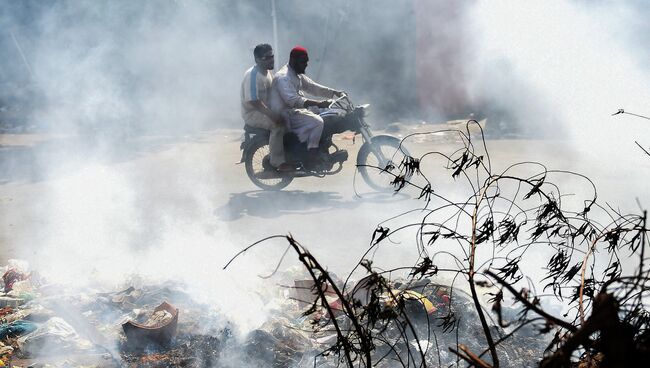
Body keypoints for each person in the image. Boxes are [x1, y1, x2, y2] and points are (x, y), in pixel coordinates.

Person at [269, 45, 345, 167]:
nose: (306, 64)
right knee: (318, 122)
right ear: (293, 60)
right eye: (303, 61)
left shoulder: (296, 74)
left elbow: (312, 87)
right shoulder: (283, 77)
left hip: (294, 111)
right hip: (285, 115)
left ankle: (321, 146)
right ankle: (312, 154)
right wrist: (319, 103)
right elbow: (293, 100)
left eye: (306, 61)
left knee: (327, 112)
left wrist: (334, 92)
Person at [240, 43, 293, 172]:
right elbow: (254, 101)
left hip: (265, 110)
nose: (272, 60)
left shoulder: (267, 72)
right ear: (258, 60)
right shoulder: (252, 75)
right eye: (267, 58)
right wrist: (272, 115)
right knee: (278, 125)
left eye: (272, 56)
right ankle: (277, 162)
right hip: (253, 113)